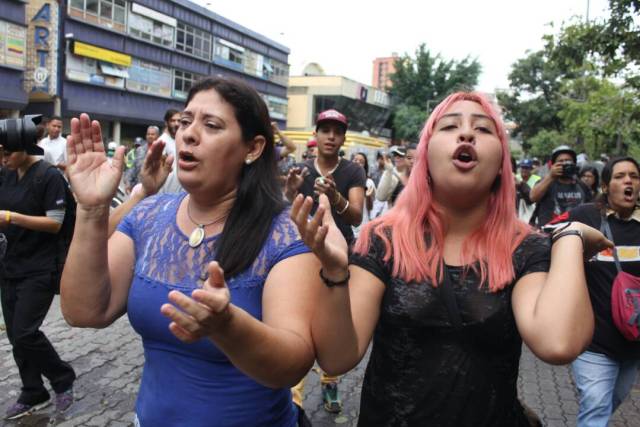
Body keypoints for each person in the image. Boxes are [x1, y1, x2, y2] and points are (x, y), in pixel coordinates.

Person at [291, 91, 611, 426]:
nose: (467, 133)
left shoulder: (525, 247)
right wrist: (335, 271)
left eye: (484, 130)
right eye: (450, 126)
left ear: (502, 161)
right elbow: (337, 357)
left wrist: (570, 240)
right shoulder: (382, 239)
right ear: (425, 154)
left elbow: (558, 343)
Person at [60, 77, 321, 426]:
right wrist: (92, 209)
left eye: (211, 125)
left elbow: (293, 365)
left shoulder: (285, 233)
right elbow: (85, 311)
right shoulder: (149, 215)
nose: (189, 133)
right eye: (185, 122)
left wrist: (227, 326)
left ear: (253, 148)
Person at [284, 108, 365, 413]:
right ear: (315, 135)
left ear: (343, 137)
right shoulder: (302, 169)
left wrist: (335, 197)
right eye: (325, 130)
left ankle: (330, 383)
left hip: (337, 258)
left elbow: (356, 215)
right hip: (303, 254)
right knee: (301, 320)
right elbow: (289, 211)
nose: (331, 136)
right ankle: (294, 394)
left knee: (331, 322)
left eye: (337, 131)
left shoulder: (352, 171)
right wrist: (290, 191)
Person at [0, 138, 76, 420]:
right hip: (9, 264)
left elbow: (55, 222)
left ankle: (62, 377)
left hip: (40, 266)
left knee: (25, 332)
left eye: (8, 153)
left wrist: (11, 217)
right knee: (15, 336)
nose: (4, 159)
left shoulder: (49, 176)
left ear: (26, 149)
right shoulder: (6, 174)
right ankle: (33, 391)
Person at [567, 157, 640, 427]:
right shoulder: (584, 217)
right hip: (593, 342)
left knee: (611, 402)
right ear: (607, 186)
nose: (629, 181)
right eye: (620, 176)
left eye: (634, 176)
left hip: (632, 344)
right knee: (596, 407)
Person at [530, 145, 592, 226]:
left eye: (568, 161)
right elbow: (533, 197)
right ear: (553, 165)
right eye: (561, 161)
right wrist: (551, 176)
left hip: (575, 233)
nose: (564, 164)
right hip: (549, 233)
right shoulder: (546, 183)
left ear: (574, 164)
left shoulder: (581, 186)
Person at [125, 126, 160, 192]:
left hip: (156, 188)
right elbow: (132, 167)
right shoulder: (140, 150)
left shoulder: (162, 150)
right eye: (148, 134)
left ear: (157, 136)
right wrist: (128, 182)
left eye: (152, 134)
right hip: (139, 186)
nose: (150, 136)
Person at [157, 109, 182, 194]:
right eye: (173, 121)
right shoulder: (161, 141)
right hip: (165, 191)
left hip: (180, 190)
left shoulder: (180, 140)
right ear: (166, 123)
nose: (176, 124)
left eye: (179, 121)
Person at [351, 152, 376, 239]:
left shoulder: (369, 182)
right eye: (355, 160)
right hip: (347, 227)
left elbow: (370, 208)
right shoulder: (345, 179)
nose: (358, 162)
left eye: (361, 161)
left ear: (365, 166)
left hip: (362, 228)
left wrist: (368, 196)